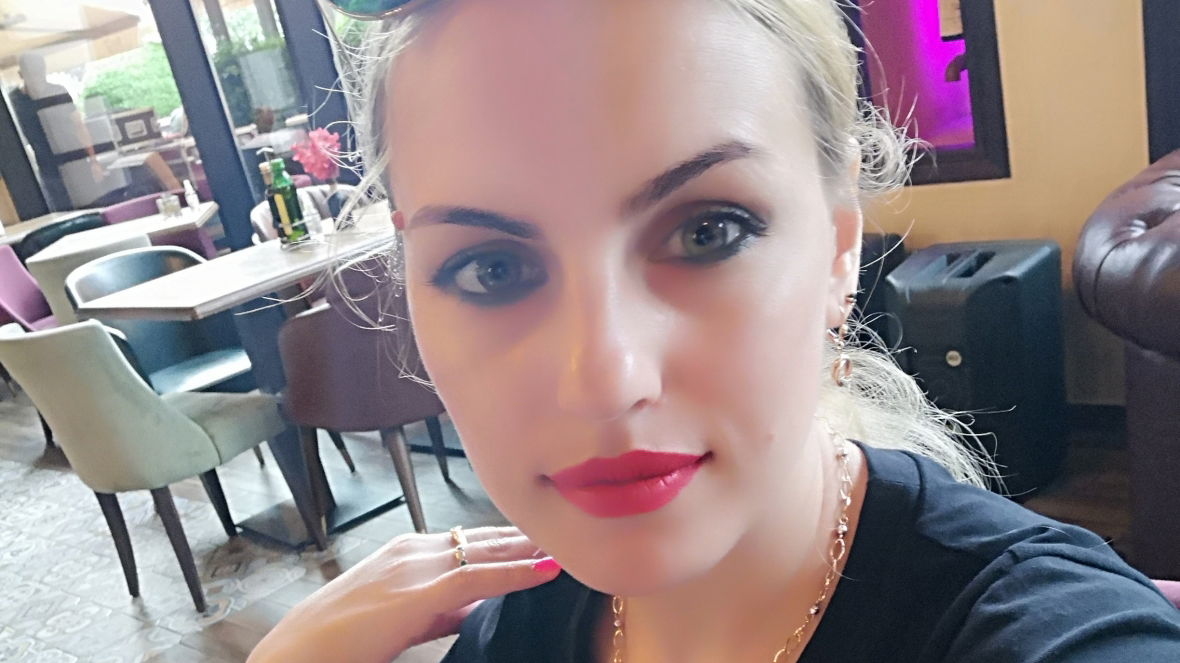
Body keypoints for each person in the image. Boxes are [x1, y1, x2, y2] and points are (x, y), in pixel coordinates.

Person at [249, 1, 1180, 661]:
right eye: (491, 268)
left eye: (708, 231)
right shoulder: (510, 630)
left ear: (839, 248)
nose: (604, 379)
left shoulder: (1039, 633)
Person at [10, 52, 181, 210]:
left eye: (38, 71)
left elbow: (79, 125)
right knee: (61, 204)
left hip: (76, 157)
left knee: (88, 201)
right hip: (47, 165)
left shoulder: (57, 92)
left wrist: (93, 161)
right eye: (31, 72)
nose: (36, 76)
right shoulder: (15, 101)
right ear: (21, 74)